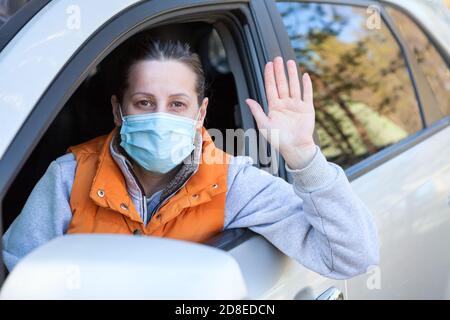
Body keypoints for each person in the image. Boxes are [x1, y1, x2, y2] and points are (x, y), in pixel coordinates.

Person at [2, 34, 379, 279]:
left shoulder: (234, 184)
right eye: (145, 103)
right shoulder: (68, 177)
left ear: (200, 114)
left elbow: (349, 258)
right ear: (119, 111)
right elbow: (20, 277)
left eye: (177, 105)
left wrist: (304, 157)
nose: (160, 117)